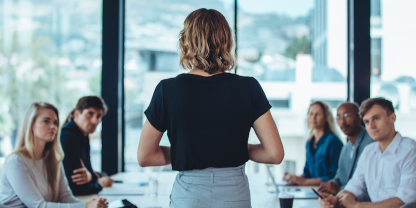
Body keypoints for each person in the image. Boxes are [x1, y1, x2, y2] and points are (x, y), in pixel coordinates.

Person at [137, 8, 284, 208]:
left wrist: (190, 151)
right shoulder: (249, 87)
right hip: (234, 192)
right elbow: (274, 154)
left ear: (186, 41)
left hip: (189, 194)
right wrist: (230, 148)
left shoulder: (167, 89)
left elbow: (145, 156)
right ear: (226, 41)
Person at [0, 102, 107, 208]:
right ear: (31, 124)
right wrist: (86, 206)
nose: (53, 127)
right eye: (46, 121)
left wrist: (88, 204)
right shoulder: (16, 162)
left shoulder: (53, 159)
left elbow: (65, 198)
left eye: (55, 123)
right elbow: (38, 206)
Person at [320, 98, 416, 208]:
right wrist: (335, 199)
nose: (371, 126)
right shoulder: (368, 151)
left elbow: (405, 201)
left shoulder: (410, 151)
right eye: (367, 121)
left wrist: (356, 205)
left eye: (376, 118)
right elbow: (353, 188)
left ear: (392, 118)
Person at [318, 102, 373, 201]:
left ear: (359, 117)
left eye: (347, 115)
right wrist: (331, 185)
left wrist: (338, 189)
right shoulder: (346, 148)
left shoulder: (371, 143)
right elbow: (339, 178)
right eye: (338, 117)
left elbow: (367, 187)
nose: (342, 121)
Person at [61, 96, 114, 196]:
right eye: (90, 114)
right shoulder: (68, 137)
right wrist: (99, 183)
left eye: (99, 116)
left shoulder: (83, 136)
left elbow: (89, 171)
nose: (95, 121)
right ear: (77, 114)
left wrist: (91, 176)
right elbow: (76, 188)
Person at [283, 101, 344, 186]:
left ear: (326, 118)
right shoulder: (309, 142)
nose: (313, 117)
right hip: (311, 190)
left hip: (326, 192)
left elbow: (333, 177)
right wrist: (294, 178)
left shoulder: (333, 141)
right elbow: (307, 174)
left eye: (318, 114)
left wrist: (304, 182)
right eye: (311, 114)